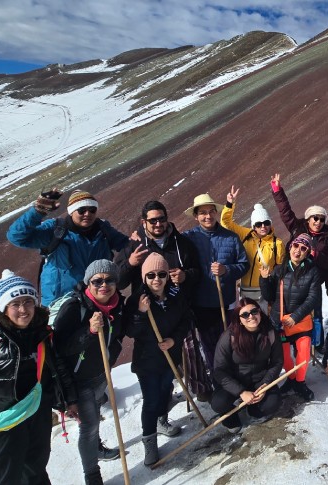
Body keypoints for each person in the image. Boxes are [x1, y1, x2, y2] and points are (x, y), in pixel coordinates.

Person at [0, 270, 78, 484]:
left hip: (38, 412)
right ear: (4, 308)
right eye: (15, 304)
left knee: (36, 467)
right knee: (7, 476)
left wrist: (68, 400)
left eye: (28, 301)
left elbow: (56, 367)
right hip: (4, 420)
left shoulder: (42, 332)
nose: (23, 310)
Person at [52, 260, 126, 485]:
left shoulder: (117, 304)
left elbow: (117, 336)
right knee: (89, 425)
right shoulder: (75, 308)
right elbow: (60, 348)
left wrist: (111, 358)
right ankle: (92, 476)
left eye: (110, 280)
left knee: (94, 414)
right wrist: (90, 331)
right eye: (97, 281)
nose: (104, 285)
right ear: (88, 282)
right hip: (78, 379)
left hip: (100, 373)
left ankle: (96, 449)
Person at [7, 189, 129, 307]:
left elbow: (127, 245)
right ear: (71, 211)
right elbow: (16, 236)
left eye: (92, 209)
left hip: (96, 299)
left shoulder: (103, 230)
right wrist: (38, 211)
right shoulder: (55, 230)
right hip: (59, 303)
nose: (87, 214)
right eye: (81, 210)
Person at [124, 253, 191, 466]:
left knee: (165, 391)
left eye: (161, 274)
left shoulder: (175, 294)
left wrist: (174, 340)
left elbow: (187, 320)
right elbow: (130, 331)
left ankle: (162, 421)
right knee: (151, 400)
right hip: (148, 361)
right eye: (151, 275)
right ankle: (150, 444)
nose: (156, 279)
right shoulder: (136, 300)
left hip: (170, 356)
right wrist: (142, 313)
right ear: (144, 277)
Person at [183, 194, 249, 390]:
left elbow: (244, 265)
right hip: (201, 304)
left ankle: (236, 383)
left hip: (226, 303)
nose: (208, 216)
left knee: (231, 345)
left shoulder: (230, 237)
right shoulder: (188, 238)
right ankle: (220, 385)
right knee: (209, 348)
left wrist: (226, 270)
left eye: (211, 211)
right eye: (202, 213)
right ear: (196, 216)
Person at [271, 173, 328, 347]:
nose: (318, 222)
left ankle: (317, 343)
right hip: (291, 276)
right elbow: (285, 211)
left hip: (313, 280)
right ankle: (291, 341)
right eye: (315, 218)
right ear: (308, 219)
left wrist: (317, 255)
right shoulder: (297, 227)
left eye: (322, 219)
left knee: (316, 313)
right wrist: (277, 190)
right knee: (289, 310)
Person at [259, 234, 321, 401]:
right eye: (296, 246)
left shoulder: (313, 271)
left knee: (304, 352)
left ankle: (300, 382)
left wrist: (296, 316)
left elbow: (313, 298)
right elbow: (269, 295)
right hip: (279, 322)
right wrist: (264, 280)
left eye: (303, 248)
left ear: (307, 253)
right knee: (285, 355)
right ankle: (291, 379)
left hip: (300, 321)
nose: (298, 251)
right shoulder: (279, 269)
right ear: (290, 246)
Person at [211, 299, 283, 433]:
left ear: (259, 312)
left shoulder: (270, 333)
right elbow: (219, 370)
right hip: (234, 382)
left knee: (273, 403)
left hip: (259, 381)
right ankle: (231, 418)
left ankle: (253, 410)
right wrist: (241, 392)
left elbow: (277, 362)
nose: (251, 316)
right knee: (218, 403)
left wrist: (266, 384)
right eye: (245, 315)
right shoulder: (229, 336)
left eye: (254, 311)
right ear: (239, 319)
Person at [115, 200, 201, 296]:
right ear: (144, 222)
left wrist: (185, 276)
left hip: (178, 307)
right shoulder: (134, 246)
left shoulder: (182, 243)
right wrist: (130, 263)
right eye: (153, 220)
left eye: (162, 219)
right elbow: (118, 283)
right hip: (147, 308)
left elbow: (198, 273)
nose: (158, 224)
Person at [222, 186, 286, 311]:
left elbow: (280, 270)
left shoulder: (277, 243)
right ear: (253, 226)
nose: (263, 227)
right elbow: (226, 223)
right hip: (246, 289)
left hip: (265, 291)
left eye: (266, 223)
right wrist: (230, 203)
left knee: (264, 322)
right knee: (249, 321)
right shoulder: (245, 234)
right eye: (258, 224)